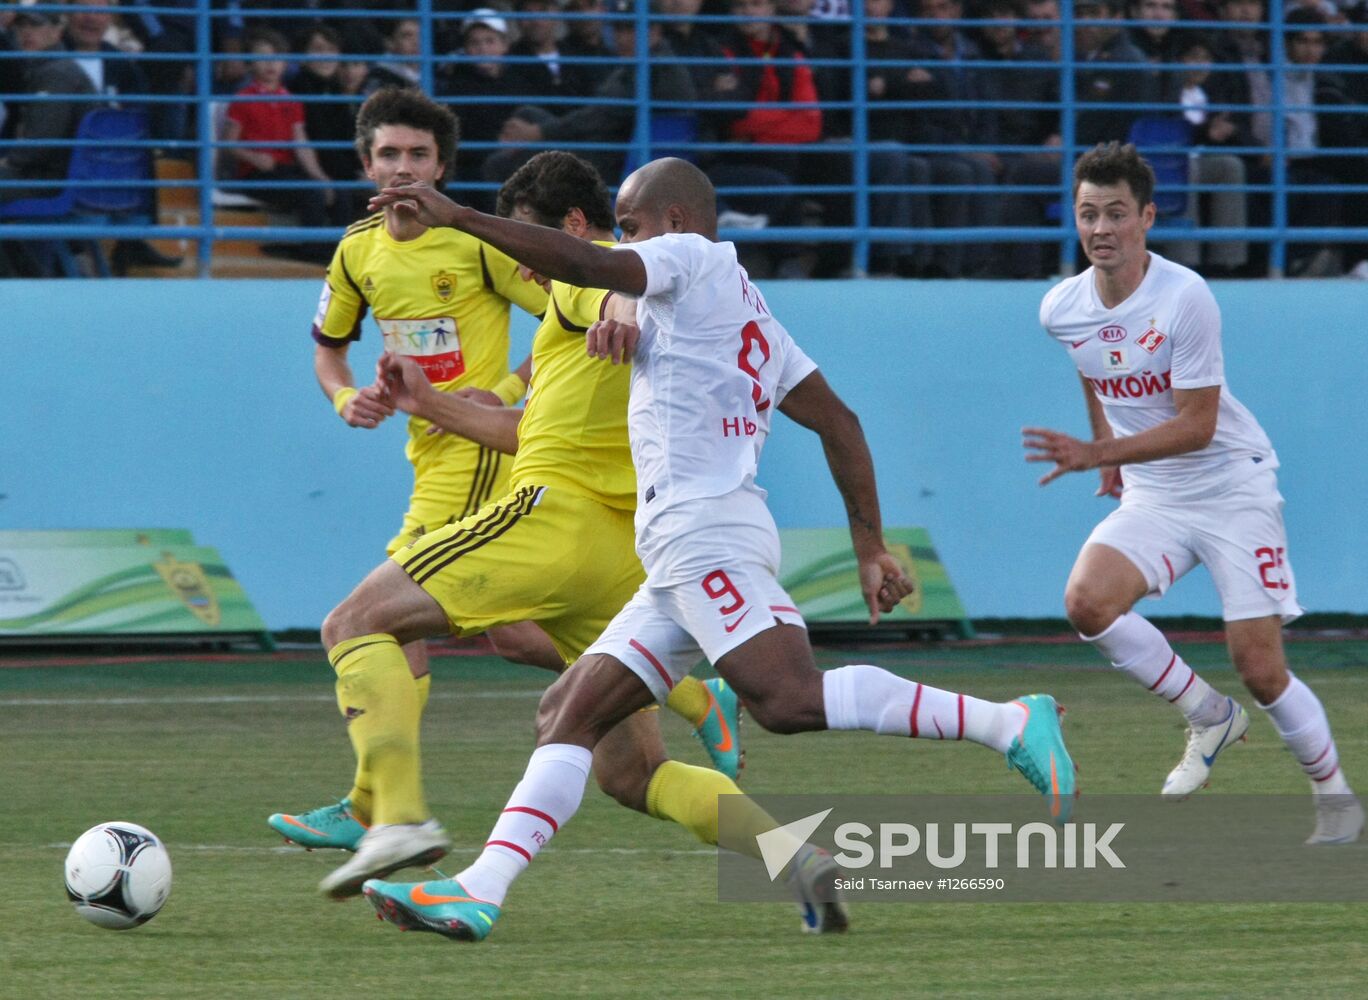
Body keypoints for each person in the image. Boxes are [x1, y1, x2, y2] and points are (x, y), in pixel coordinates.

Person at [359, 157, 1078, 941]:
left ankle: (1007, 722)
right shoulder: (748, 310)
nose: (623, 237)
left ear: (670, 223)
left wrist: (458, 216)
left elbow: (599, 263)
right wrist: (868, 544)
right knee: (568, 711)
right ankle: (480, 890)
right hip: (681, 546)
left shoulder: (690, 255)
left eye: (630, 224)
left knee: (786, 699)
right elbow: (838, 421)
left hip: (703, 533)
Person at [272, 108, 749, 899]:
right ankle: (795, 856)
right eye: (386, 153)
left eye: (417, 153)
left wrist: (620, 300)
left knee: (357, 623)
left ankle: (389, 816)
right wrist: (428, 403)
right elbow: (535, 417)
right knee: (633, 773)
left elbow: (604, 294)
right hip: (618, 554)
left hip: (548, 517)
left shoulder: (583, 280)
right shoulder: (700, 302)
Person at [1023, 142, 1362, 846]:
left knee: (1261, 669)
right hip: (1153, 490)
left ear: (1147, 217)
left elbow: (1198, 426)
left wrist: (1098, 452)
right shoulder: (1061, 306)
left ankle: (1336, 801)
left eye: (1116, 213)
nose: (1101, 229)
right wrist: (1109, 456)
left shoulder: (1184, 298)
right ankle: (1208, 715)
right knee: (1086, 602)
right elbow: (1093, 364)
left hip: (1231, 484)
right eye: (1088, 214)